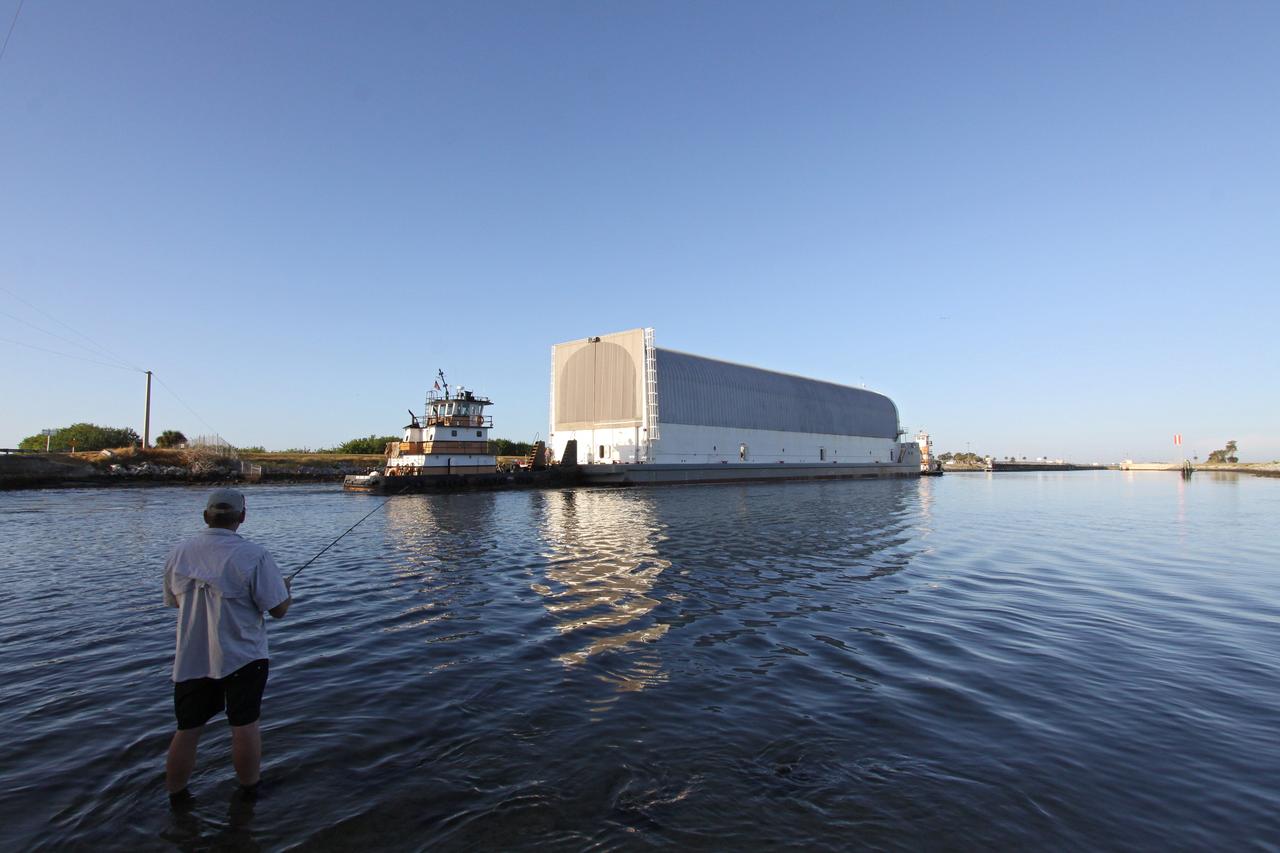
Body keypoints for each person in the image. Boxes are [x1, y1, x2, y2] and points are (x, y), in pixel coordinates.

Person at [163, 488, 291, 806]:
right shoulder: (254, 555)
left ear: (206, 516)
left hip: (191, 659)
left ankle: (175, 798)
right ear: (242, 517)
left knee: (187, 728)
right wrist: (284, 590)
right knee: (244, 726)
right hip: (244, 657)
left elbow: (174, 602)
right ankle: (249, 792)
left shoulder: (179, 552)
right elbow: (278, 610)